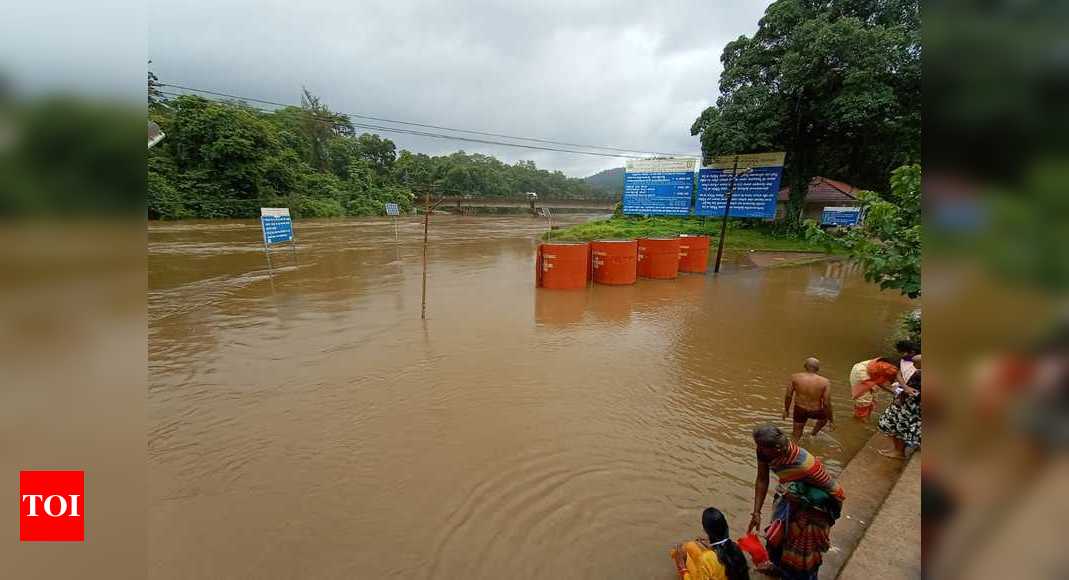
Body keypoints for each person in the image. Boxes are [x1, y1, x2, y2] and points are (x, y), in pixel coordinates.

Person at [747, 425, 844, 580]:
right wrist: (756, 512)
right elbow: (762, 478)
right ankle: (777, 568)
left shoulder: (806, 465)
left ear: (778, 449)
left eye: (762, 447)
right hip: (787, 498)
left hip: (812, 509)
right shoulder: (765, 452)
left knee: (801, 556)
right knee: (775, 538)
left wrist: (803, 500)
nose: (758, 450)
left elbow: (836, 493)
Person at [671, 507, 750, 580]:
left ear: (705, 530)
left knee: (677, 552)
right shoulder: (735, 547)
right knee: (691, 546)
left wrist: (681, 566)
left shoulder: (706, 559)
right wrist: (710, 546)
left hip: (711, 566)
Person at [878, 354, 921, 459]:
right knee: (895, 426)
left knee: (898, 427)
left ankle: (899, 452)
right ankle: (897, 450)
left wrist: (904, 394)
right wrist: (904, 387)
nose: (913, 366)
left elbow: (913, 393)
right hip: (908, 404)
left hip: (910, 406)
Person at [783, 358, 833, 440]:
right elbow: (826, 403)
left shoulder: (795, 377)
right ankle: (813, 434)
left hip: (800, 409)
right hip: (816, 410)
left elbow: (788, 395)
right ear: (818, 369)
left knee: (796, 435)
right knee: (824, 419)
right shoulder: (825, 382)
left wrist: (786, 410)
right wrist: (831, 420)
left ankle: (793, 449)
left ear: (805, 366)